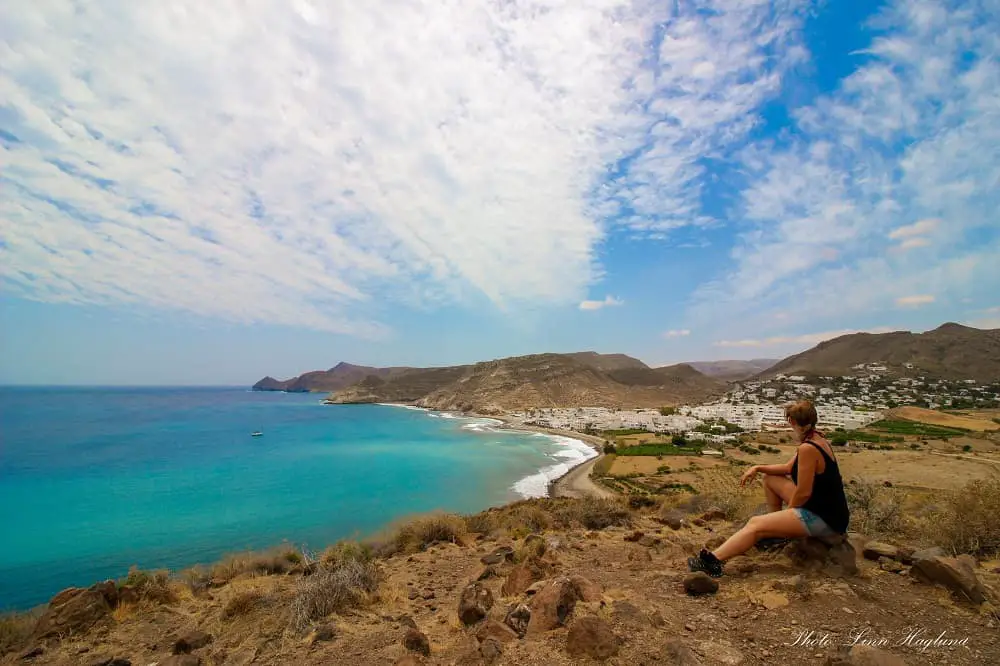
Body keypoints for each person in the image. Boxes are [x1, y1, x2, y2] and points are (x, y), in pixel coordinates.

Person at [688, 400, 850, 577]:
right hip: (823, 507)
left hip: (824, 518)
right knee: (770, 479)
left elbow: (803, 493)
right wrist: (757, 468)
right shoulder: (815, 439)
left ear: (792, 422)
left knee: (755, 524)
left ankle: (713, 561)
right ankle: (777, 534)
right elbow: (788, 468)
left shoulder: (808, 449)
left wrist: (788, 514)